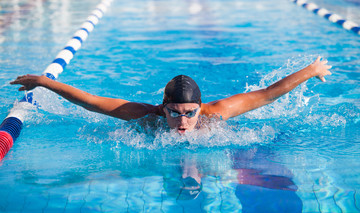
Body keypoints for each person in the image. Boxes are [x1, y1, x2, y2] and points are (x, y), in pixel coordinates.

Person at [10, 57, 331, 134]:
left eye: (189, 113)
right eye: (174, 112)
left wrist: (312, 70)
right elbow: (91, 102)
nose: (182, 120)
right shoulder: (144, 116)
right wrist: (44, 81)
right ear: (162, 108)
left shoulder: (214, 114)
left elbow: (267, 95)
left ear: (200, 108)